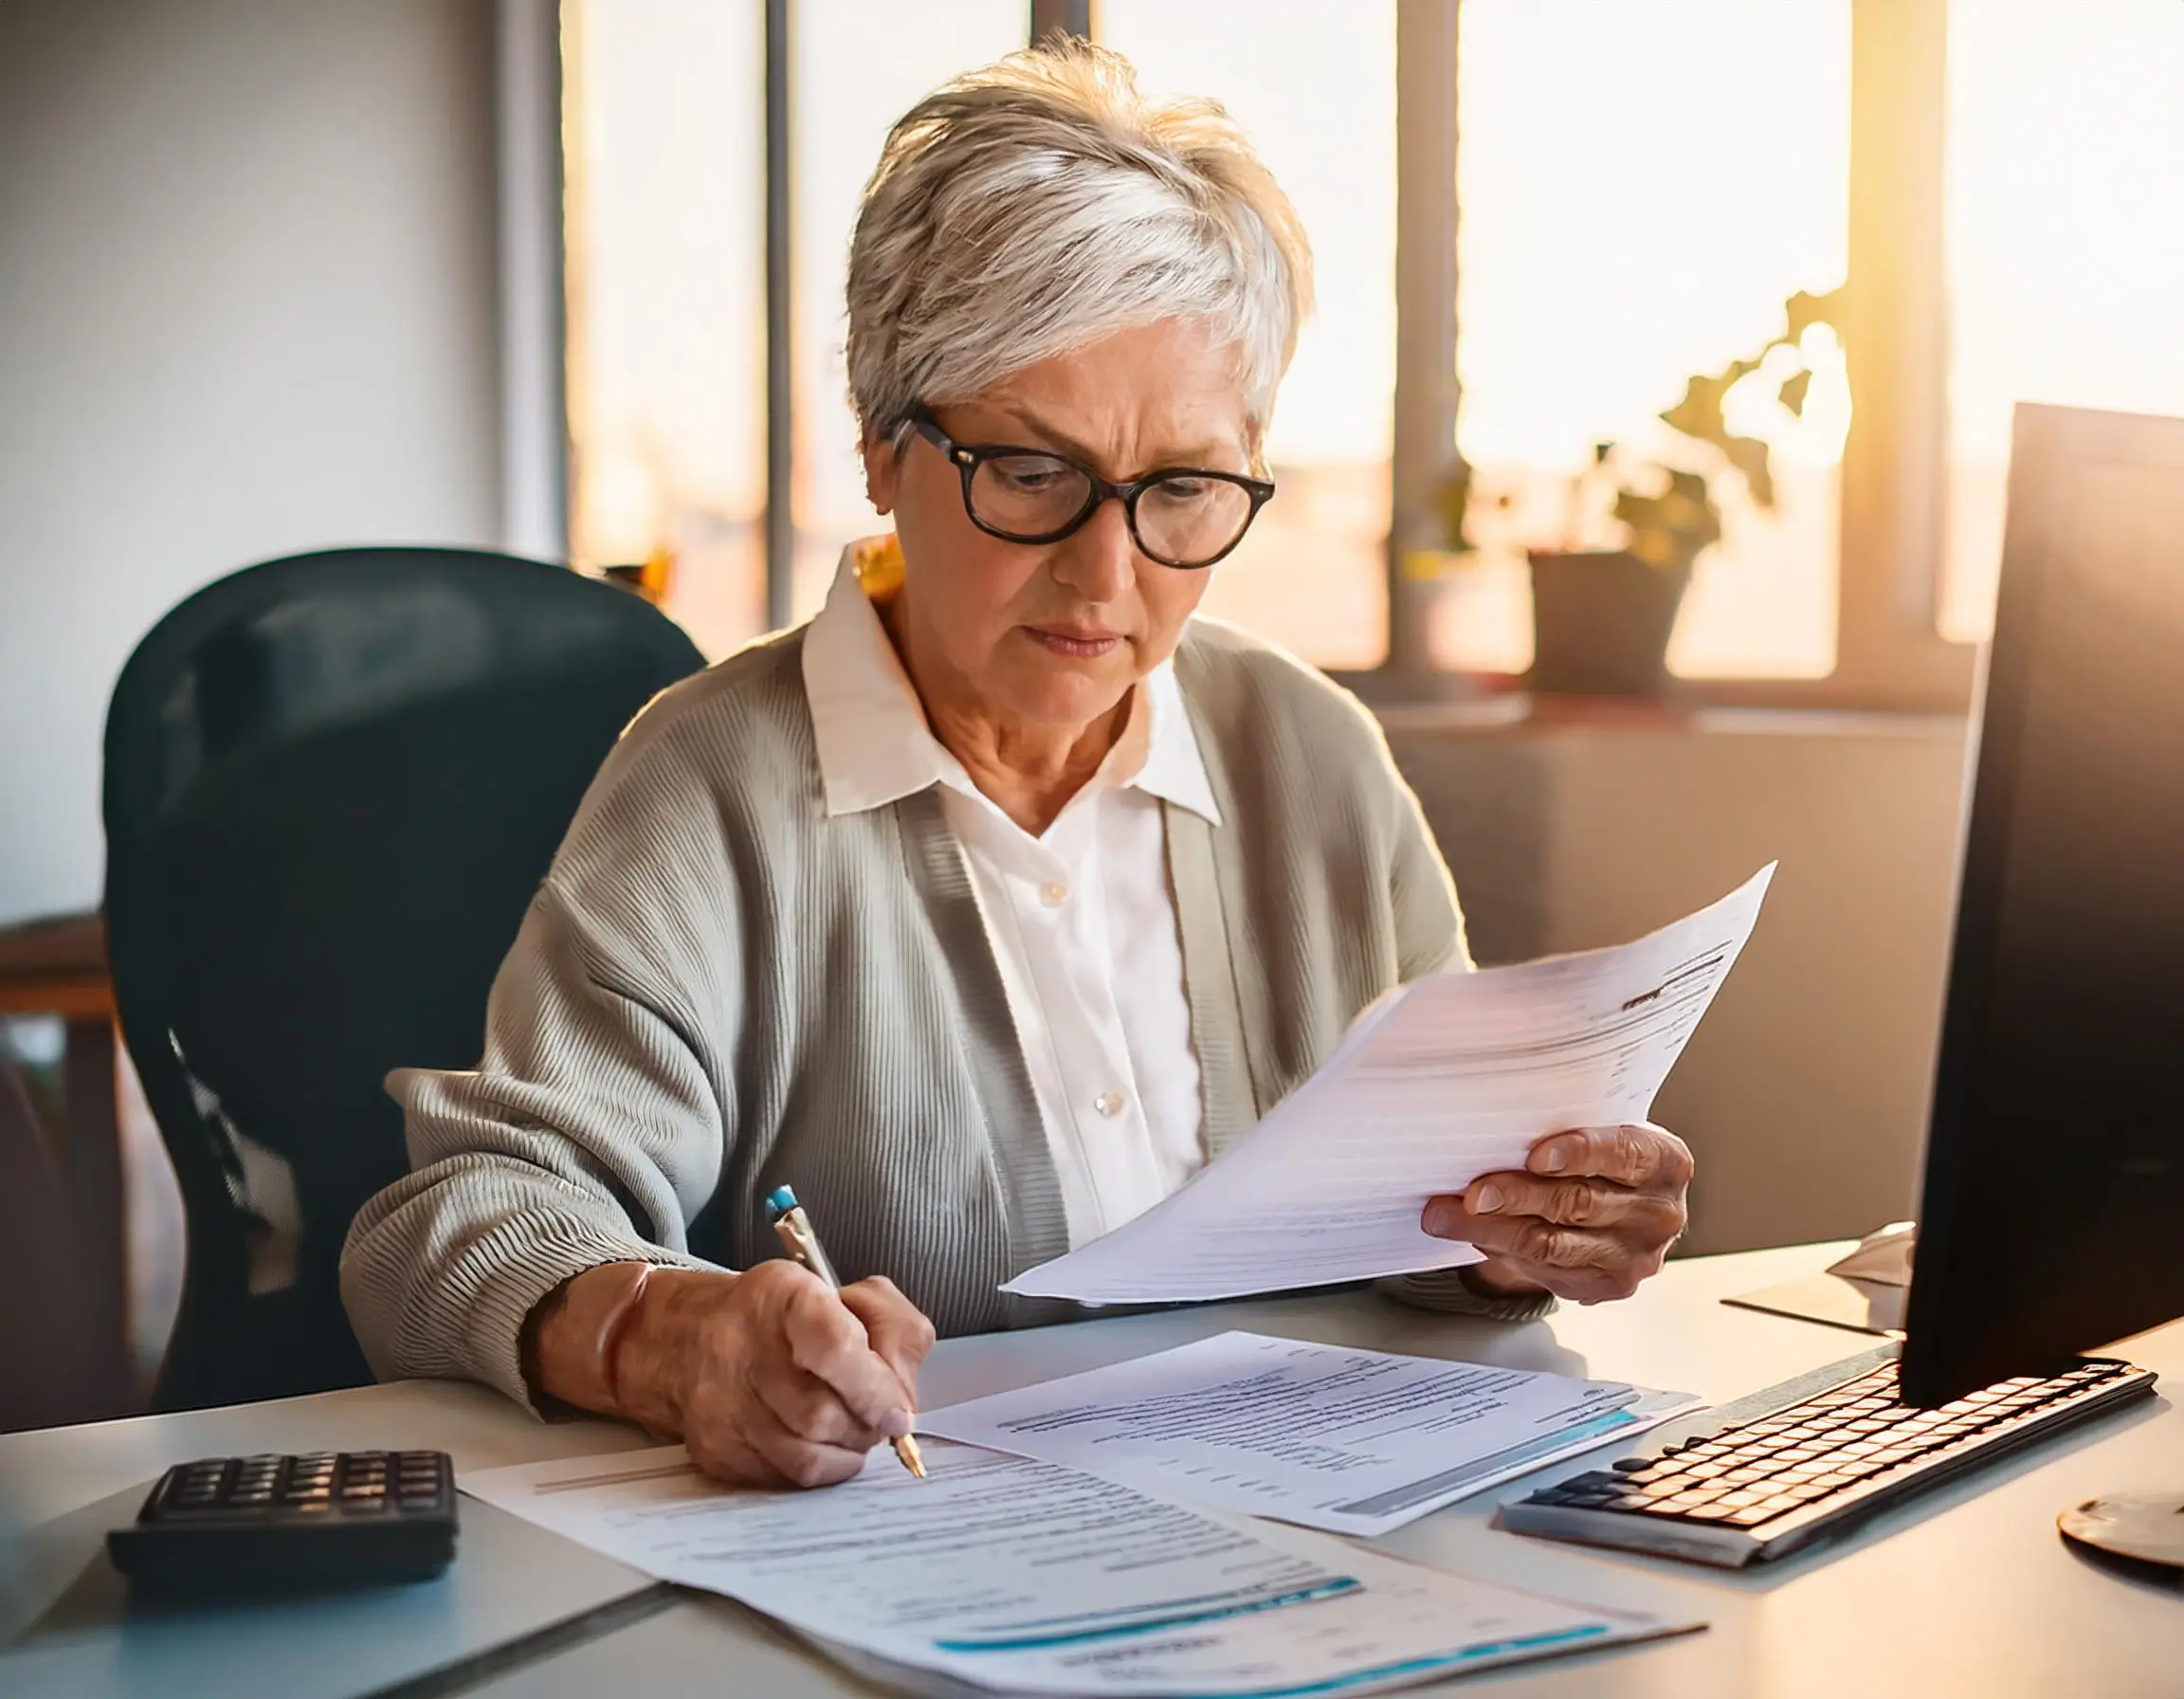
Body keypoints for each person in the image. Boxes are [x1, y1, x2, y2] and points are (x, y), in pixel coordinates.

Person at [340, 40, 1693, 1491]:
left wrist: (1517, 1235)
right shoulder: (713, 781)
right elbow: (462, 1220)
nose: (1107, 574)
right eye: (1033, 474)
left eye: (1181, 488)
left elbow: (1416, 1237)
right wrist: (669, 1337)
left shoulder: (1307, 752)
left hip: (1307, 1532)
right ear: (880, 444)